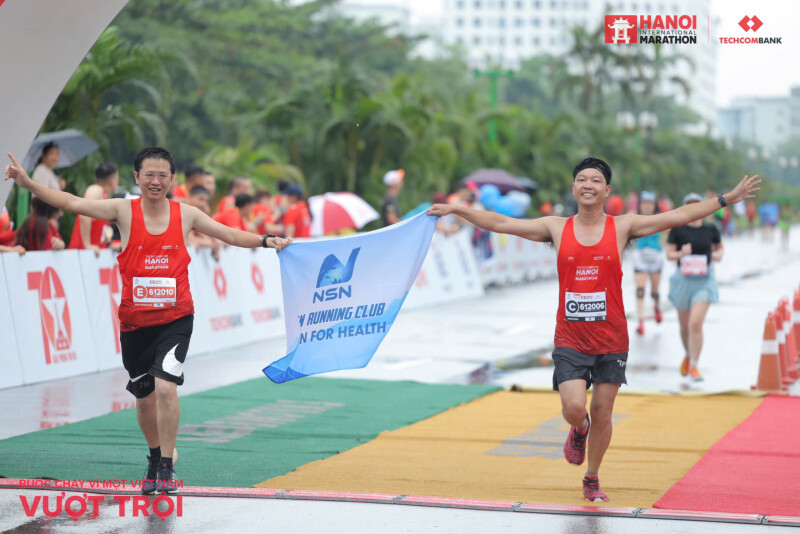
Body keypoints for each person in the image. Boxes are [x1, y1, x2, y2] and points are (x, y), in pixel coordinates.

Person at [428, 157, 760, 502]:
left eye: (596, 180)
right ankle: (579, 428)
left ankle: (592, 475)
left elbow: (676, 216)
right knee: (574, 407)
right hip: (570, 337)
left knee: (603, 410)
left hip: (612, 337)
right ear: (574, 188)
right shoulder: (556, 227)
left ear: (607, 190)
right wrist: (458, 210)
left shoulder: (624, 226)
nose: (588, 185)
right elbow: (501, 222)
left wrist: (725, 200)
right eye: (582, 179)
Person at [4, 148, 291, 495]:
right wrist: (28, 182)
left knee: (166, 388)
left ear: (172, 180)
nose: (156, 181)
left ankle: (167, 467)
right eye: (149, 175)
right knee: (144, 398)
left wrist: (265, 240)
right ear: (136, 178)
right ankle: (155, 456)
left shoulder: (185, 214)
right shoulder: (121, 210)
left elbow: (228, 234)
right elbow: (70, 203)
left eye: (163, 175)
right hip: (135, 324)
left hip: (176, 318)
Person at [666, 193, 725, 382]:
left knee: (695, 323)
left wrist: (718, 255)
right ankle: (689, 353)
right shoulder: (677, 230)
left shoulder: (711, 229)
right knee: (684, 327)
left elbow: (720, 247)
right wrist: (681, 253)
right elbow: (669, 254)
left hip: (704, 280)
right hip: (683, 280)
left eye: (697, 205)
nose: (694, 209)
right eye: (689, 206)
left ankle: (694, 366)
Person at [68, 163, 119, 254]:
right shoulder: (95, 189)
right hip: (83, 255)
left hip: (91, 256)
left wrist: (109, 243)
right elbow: (84, 216)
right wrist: (87, 245)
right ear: (112, 181)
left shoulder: (103, 196)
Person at [633, 191, 664, 336]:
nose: (647, 206)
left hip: (655, 256)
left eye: (650, 203)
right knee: (640, 290)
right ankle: (640, 322)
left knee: (654, 292)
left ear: (654, 205)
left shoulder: (660, 218)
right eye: (644, 203)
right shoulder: (635, 218)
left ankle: (657, 307)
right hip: (640, 255)